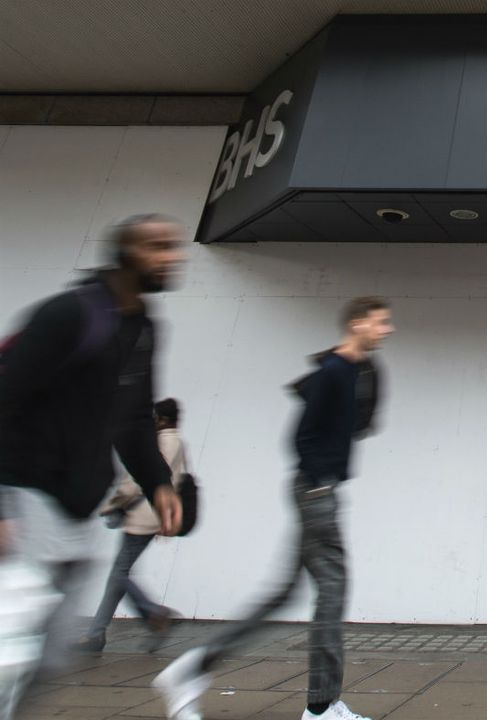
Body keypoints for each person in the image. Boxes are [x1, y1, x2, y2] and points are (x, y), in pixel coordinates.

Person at [153, 297, 393, 720]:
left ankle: (193, 667)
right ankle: (321, 708)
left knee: (285, 593)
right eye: (380, 323)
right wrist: (320, 486)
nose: (386, 330)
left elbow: (362, 424)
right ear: (357, 323)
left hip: (319, 490)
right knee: (332, 593)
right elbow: (300, 439)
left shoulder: (357, 371)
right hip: (317, 491)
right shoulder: (333, 372)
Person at [0, 215, 186, 719]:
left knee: (48, 654)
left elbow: (132, 419)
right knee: (10, 653)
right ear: (125, 254)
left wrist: (159, 485)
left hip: (77, 508)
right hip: (26, 497)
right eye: (158, 247)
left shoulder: (143, 329)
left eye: (173, 246)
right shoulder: (69, 315)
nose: (172, 256)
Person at [78, 398, 188, 652]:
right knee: (118, 575)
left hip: (142, 516)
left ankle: (155, 613)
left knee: (119, 574)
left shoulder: (161, 442)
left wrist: (114, 504)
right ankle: (98, 633)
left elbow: (138, 480)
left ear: (161, 419)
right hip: (155, 514)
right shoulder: (179, 442)